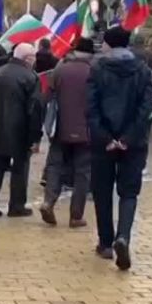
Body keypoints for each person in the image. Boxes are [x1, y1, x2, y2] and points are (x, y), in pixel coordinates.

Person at [87, 26, 152, 271]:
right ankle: (123, 235)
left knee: (102, 192)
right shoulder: (143, 71)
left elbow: (91, 107)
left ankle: (105, 242)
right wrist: (128, 137)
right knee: (128, 192)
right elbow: (145, 110)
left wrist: (105, 136)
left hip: (102, 142)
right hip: (134, 143)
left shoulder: (97, 69)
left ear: (108, 43)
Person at [0, 43, 42, 218]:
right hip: (20, 130)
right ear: (28, 58)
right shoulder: (30, 77)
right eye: (34, 57)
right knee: (20, 167)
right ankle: (16, 205)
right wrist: (35, 137)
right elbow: (35, 109)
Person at [41, 37, 94, 227]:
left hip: (60, 128)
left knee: (55, 166)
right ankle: (76, 216)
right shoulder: (94, 71)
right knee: (82, 173)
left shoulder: (60, 68)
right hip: (86, 131)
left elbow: (47, 96)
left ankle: (49, 201)